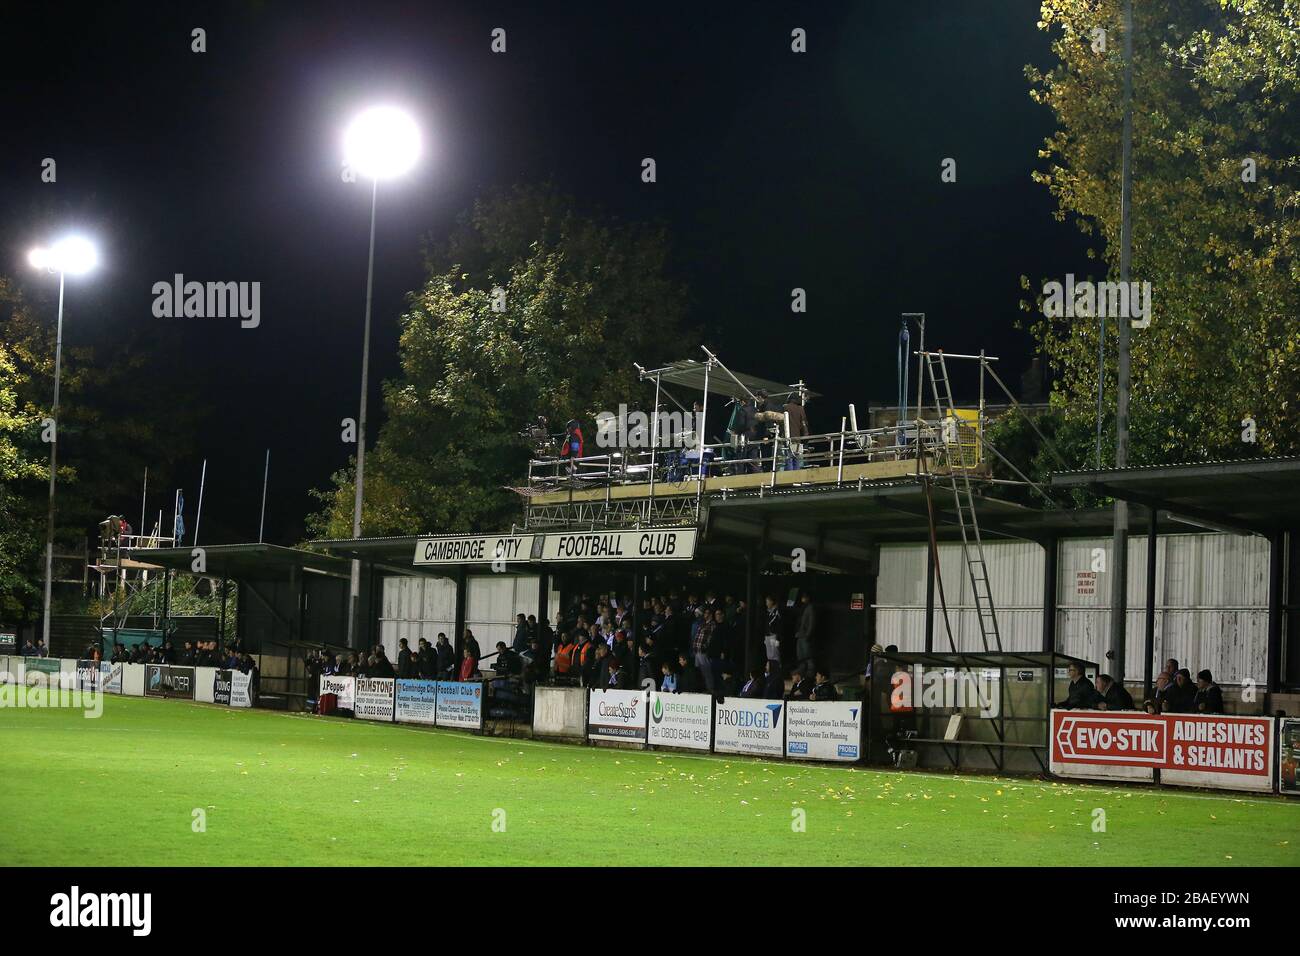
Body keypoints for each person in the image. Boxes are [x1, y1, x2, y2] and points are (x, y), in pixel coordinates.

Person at [794, 592, 815, 678]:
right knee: (800, 656)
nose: (803, 599)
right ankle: (802, 673)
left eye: (804, 597)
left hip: (805, 636)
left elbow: (811, 623)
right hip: (800, 635)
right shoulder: (802, 608)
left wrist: (808, 635)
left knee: (807, 655)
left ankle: (810, 674)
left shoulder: (810, 608)